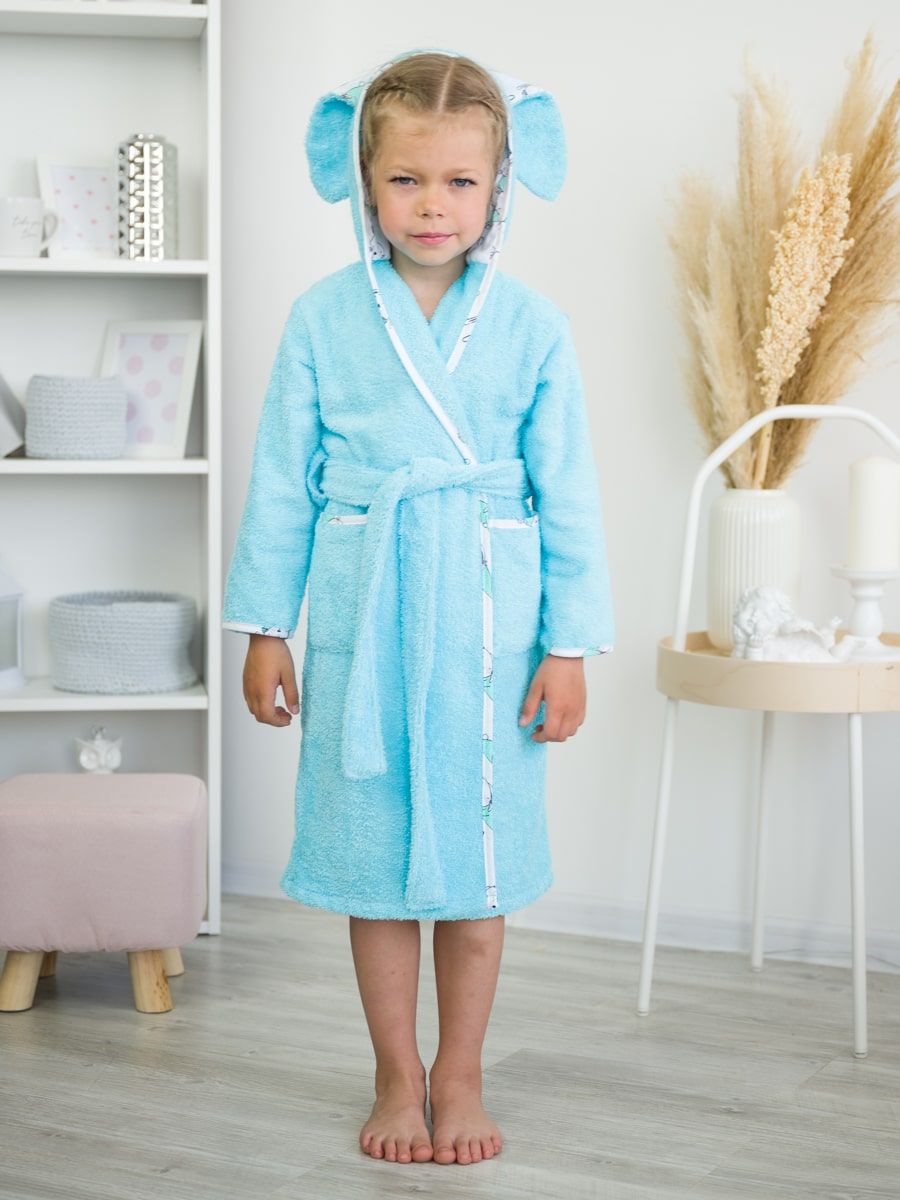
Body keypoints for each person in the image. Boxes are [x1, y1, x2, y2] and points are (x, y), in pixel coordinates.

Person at [222, 47, 615, 1167]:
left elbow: (570, 492)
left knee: (479, 872)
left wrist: (570, 646)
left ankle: (464, 1073)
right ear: (364, 179)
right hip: (368, 610)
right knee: (379, 866)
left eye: (458, 181)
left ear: (500, 186)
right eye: (405, 179)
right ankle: (397, 1074)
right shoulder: (322, 317)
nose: (432, 205)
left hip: (493, 623)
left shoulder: (532, 324)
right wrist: (267, 627)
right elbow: (282, 481)